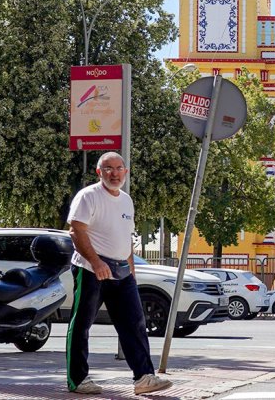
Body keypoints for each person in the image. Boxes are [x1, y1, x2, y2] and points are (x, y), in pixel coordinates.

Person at [66, 152, 173, 395]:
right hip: (90, 269)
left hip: (122, 272)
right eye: (108, 168)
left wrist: (132, 272)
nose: (114, 173)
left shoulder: (126, 200)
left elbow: (125, 239)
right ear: (98, 172)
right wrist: (95, 262)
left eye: (118, 168)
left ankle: (144, 378)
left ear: (125, 171)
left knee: (135, 323)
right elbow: (76, 231)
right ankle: (78, 379)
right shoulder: (88, 196)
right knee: (81, 324)